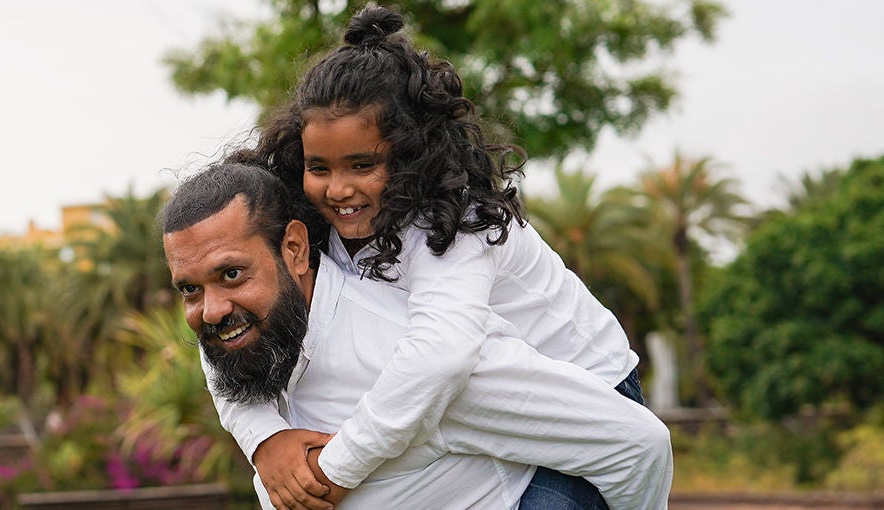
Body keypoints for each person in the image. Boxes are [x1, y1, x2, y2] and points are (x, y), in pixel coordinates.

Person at [226, 4, 651, 508]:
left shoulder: (457, 223)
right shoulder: (308, 221)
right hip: (481, 400)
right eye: (319, 167)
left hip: (585, 395)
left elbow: (439, 354)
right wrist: (263, 438)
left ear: (409, 151)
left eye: (362, 164)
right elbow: (227, 313)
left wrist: (339, 468)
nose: (338, 189)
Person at [160, 163, 670, 508]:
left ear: (294, 249)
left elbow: (638, 445)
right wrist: (262, 438)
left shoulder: (414, 352)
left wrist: (338, 467)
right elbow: (217, 340)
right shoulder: (258, 345)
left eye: (232, 275)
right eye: (189, 289)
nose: (212, 309)